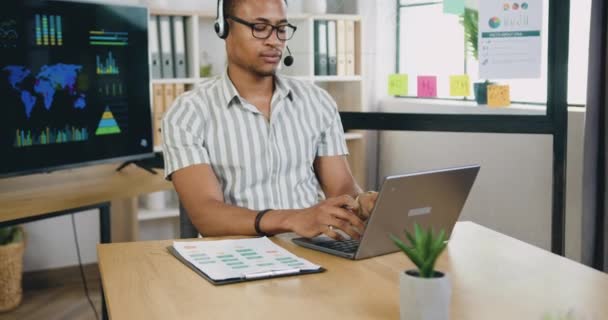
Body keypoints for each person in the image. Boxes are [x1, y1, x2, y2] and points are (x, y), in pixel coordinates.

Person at [161, 0, 378, 240]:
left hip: (313, 248)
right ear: (224, 28)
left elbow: (341, 189)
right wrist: (293, 219)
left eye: (281, 28)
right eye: (259, 27)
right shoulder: (187, 113)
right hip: (236, 256)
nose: (274, 40)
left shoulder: (318, 101)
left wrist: (360, 202)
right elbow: (206, 215)